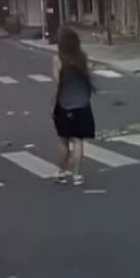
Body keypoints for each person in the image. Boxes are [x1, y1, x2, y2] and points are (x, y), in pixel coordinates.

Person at [52, 27, 96, 186]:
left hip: (64, 104)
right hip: (82, 104)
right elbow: (87, 77)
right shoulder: (82, 57)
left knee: (63, 140)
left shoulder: (58, 59)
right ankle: (76, 175)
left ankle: (61, 173)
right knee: (78, 141)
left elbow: (57, 83)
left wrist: (53, 104)